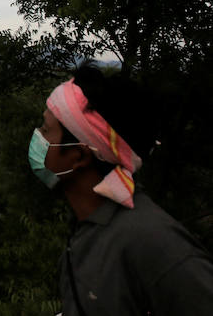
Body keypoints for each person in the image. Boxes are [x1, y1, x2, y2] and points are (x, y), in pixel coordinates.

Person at [28, 64, 213, 315]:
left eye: (47, 130)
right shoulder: (89, 229)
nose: (37, 137)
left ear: (78, 157)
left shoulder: (152, 242)